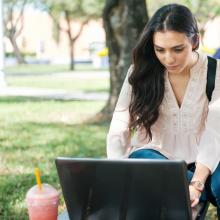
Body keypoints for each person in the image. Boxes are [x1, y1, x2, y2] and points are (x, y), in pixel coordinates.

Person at [106, 3, 220, 218]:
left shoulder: (217, 71)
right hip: (157, 156)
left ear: (195, 41)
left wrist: (196, 183)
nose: (168, 58)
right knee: (141, 160)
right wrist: (116, 175)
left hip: (208, 161)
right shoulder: (139, 73)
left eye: (178, 49)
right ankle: (188, 201)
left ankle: (193, 196)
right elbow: (119, 126)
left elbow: (215, 134)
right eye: (160, 50)